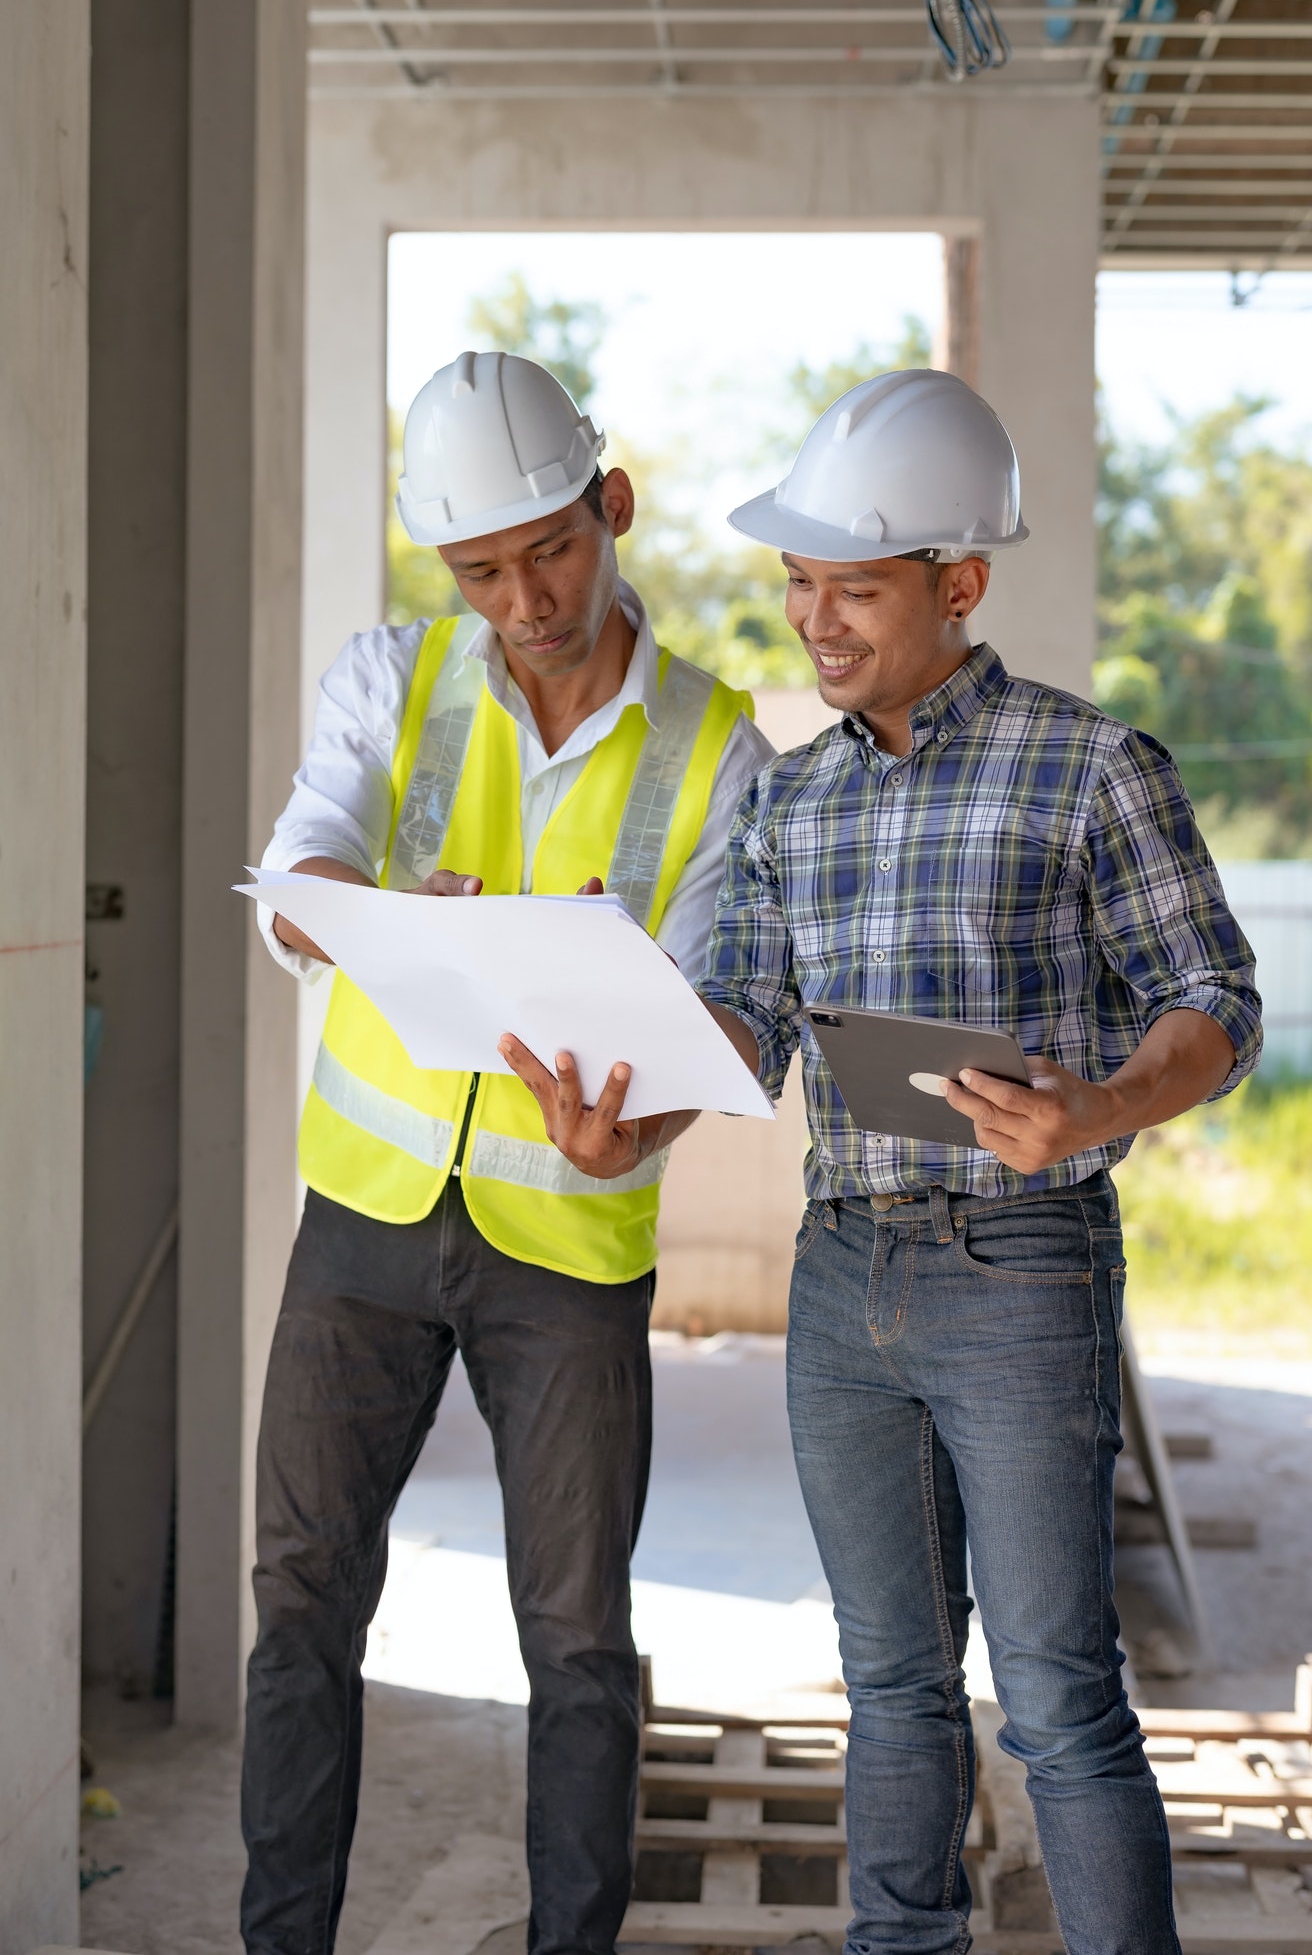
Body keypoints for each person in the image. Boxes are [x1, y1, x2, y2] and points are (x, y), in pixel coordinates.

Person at [502, 369, 1262, 1955]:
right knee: (889, 1684)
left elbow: (1214, 1003)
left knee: (1056, 1691)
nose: (813, 619)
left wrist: (1096, 1108)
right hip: (844, 1277)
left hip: (1022, 1273)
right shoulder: (791, 796)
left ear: (958, 584)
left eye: (852, 586)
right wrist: (623, 1114)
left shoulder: (1090, 767)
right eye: (797, 582)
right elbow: (751, 1025)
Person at [241, 349, 773, 1955]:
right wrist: (360, 913)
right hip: (366, 1224)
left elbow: (714, 1002)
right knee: (302, 1611)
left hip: (571, 1249)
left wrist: (645, 1127)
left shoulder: (719, 744)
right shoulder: (391, 681)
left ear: (609, 505)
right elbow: (299, 865)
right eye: (481, 569)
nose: (524, 596)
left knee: (578, 1644)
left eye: (550, 547)